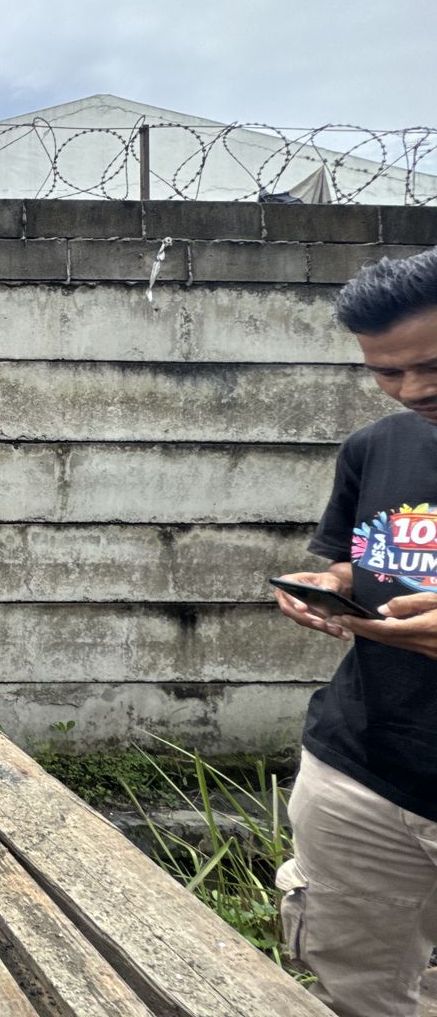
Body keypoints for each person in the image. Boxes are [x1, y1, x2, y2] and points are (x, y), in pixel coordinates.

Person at [272, 249, 437, 1017]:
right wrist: (324, 586)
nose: (414, 389)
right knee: (361, 993)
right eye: (387, 372)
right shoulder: (378, 445)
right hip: (359, 774)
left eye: (432, 365)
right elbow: (354, 559)